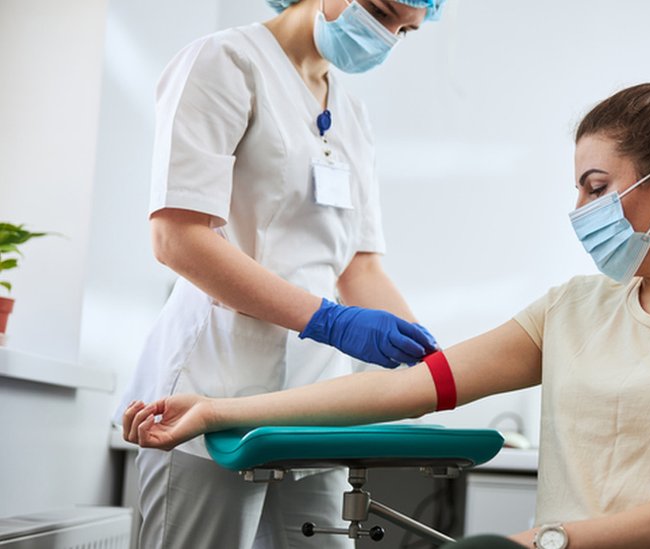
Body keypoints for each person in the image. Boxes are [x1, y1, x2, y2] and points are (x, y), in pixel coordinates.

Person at [123, 35, 650, 549]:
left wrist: (543, 542)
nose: (580, 210)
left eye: (595, 186)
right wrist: (217, 407)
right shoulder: (573, 308)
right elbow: (409, 387)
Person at [114, 1, 448, 548]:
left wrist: (437, 364)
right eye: (383, 10)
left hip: (314, 403)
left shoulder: (351, 114)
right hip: (212, 381)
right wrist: (328, 319)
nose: (386, 36)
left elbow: (359, 264)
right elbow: (178, 238)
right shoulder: (226, 61)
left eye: (405, 30)